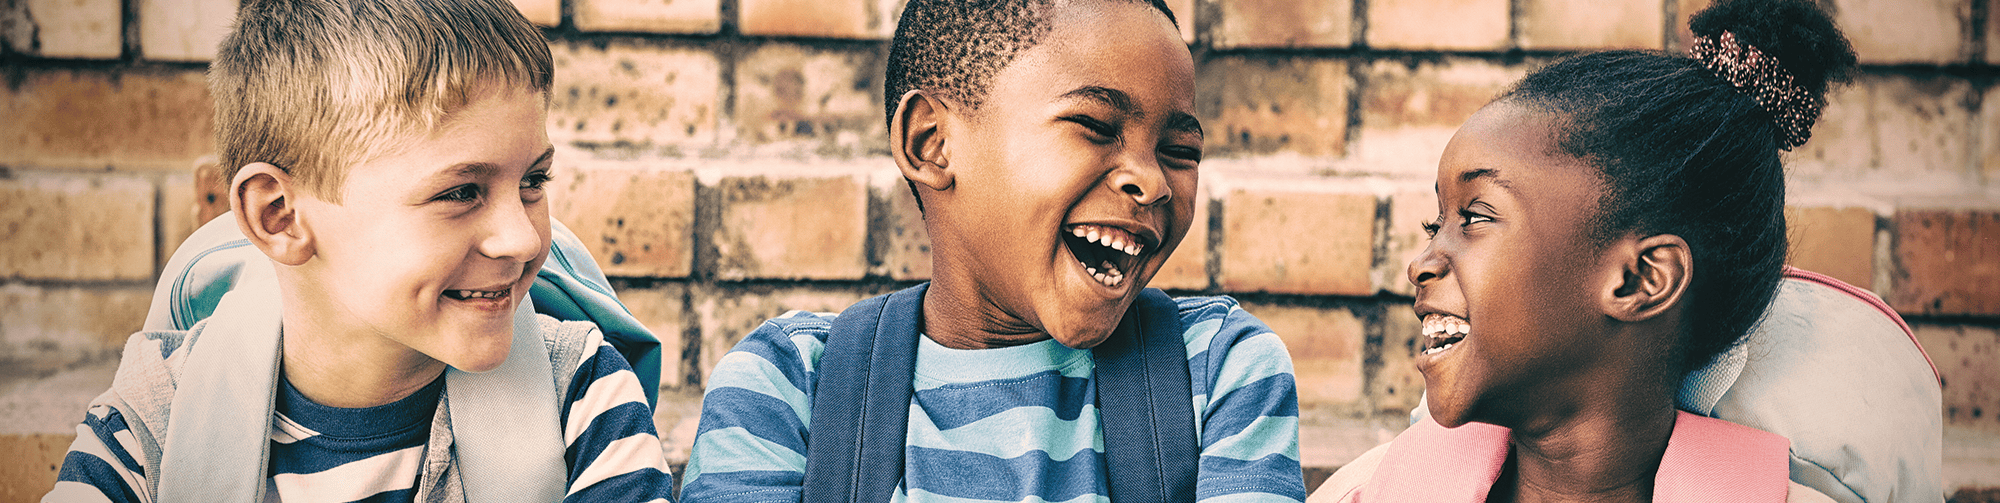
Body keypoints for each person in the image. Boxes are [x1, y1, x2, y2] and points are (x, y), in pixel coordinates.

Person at [42, 1, 673, 501]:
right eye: (461, 191)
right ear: (279, 216)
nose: (524, 238)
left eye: (533, 182)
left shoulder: (581, 396)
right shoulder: (159, 419)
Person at [678, 0, 1305, 501]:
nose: (1153, 179)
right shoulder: (791, 386)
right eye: (1095, 127)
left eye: (1180, 151)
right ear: (931, 144)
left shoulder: (1218, 371)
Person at [1309, 0, 1858, 501]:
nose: (1421, 264)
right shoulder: (1368, 493)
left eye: (1475, 216)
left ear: (1641, 279)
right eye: (1438, 222)